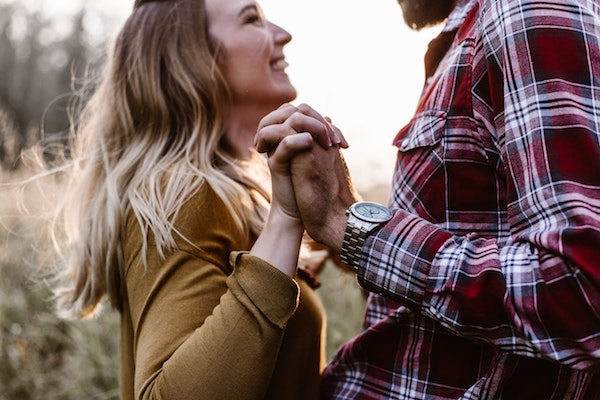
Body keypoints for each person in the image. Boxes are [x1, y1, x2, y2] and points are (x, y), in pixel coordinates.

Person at [255, 0, 600, 398]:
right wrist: (348, 221)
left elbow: (579, 289)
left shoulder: (526, 12)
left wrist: (348, 225)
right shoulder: (474, 35)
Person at [44, 0, 346, 399]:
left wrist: (338, 205)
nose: (282, 34)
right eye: (251, 18)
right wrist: (285, 221)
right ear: (193, 57)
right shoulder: (183, 194)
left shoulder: (233, 194)